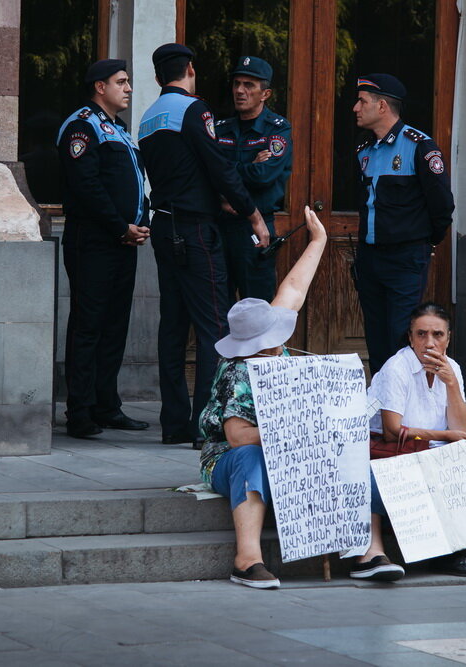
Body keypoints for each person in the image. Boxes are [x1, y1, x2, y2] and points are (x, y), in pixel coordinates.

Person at [199, 207, 406, 589]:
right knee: (249, 456)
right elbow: (238, 436)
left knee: (355, 454)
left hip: (295, 448)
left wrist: (319, 240)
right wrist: (299, 434)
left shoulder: (272, 340)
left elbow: (292, 290)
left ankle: (368, 551)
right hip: (234, 457)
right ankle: (247, 559)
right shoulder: (237, 370)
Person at [138, 43, 270, 447]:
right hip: (195, 229)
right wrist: (252, 214)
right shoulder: (195, 111)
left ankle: (174, 423)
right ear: (190, 70)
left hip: (163, 225)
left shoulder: (147, 117)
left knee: (173, 327)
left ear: (160, 78)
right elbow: (219, 167)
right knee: (214, 326)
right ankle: (206, 425)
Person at [368, 302, 466, 575]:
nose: (429, 342)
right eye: (421, 334)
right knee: (445, 467)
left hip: (434, 451)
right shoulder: (397, 368)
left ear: (448, 338)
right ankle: (448, 556)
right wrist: (444, 435)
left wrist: (451, 384)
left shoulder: (452, 368)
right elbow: (392, 429)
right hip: (396, 453)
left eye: (437, 335)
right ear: (410, 337)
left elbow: (461, 426)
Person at [57, 58, 151, 438]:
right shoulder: (82, 126)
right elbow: (87, 186)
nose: (128, 88)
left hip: (123, 242)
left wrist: (139, 226)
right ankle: (80, 412)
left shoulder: (119, 129)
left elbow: (132, 181)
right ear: (100, 86)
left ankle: (107, 406)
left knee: (114, 326)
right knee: (89, 325)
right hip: (93, 241)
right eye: (121, 82)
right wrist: (120, 227)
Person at [353, 74, 455, 375]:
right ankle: (383, 410)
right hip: (370, 258)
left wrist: (423, 241)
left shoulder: (419, 146)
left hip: (405, 257)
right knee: (375, 336)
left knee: (400, 335)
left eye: (362, 101)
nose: (355, 108)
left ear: (382, 106)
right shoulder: (364, 150)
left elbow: (442, 205)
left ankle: (403, 414)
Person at [216, 56, 293, 301]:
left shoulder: (277, 128)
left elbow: (264, 176)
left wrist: (227, 170)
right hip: (219, 225)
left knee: (257, 306)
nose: (240, 90)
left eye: (249, 85)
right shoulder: (220, 128)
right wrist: (248, 165)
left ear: (265, 94)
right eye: (237, 83)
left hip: (255, 228)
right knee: (218, 306)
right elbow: (208, 173)